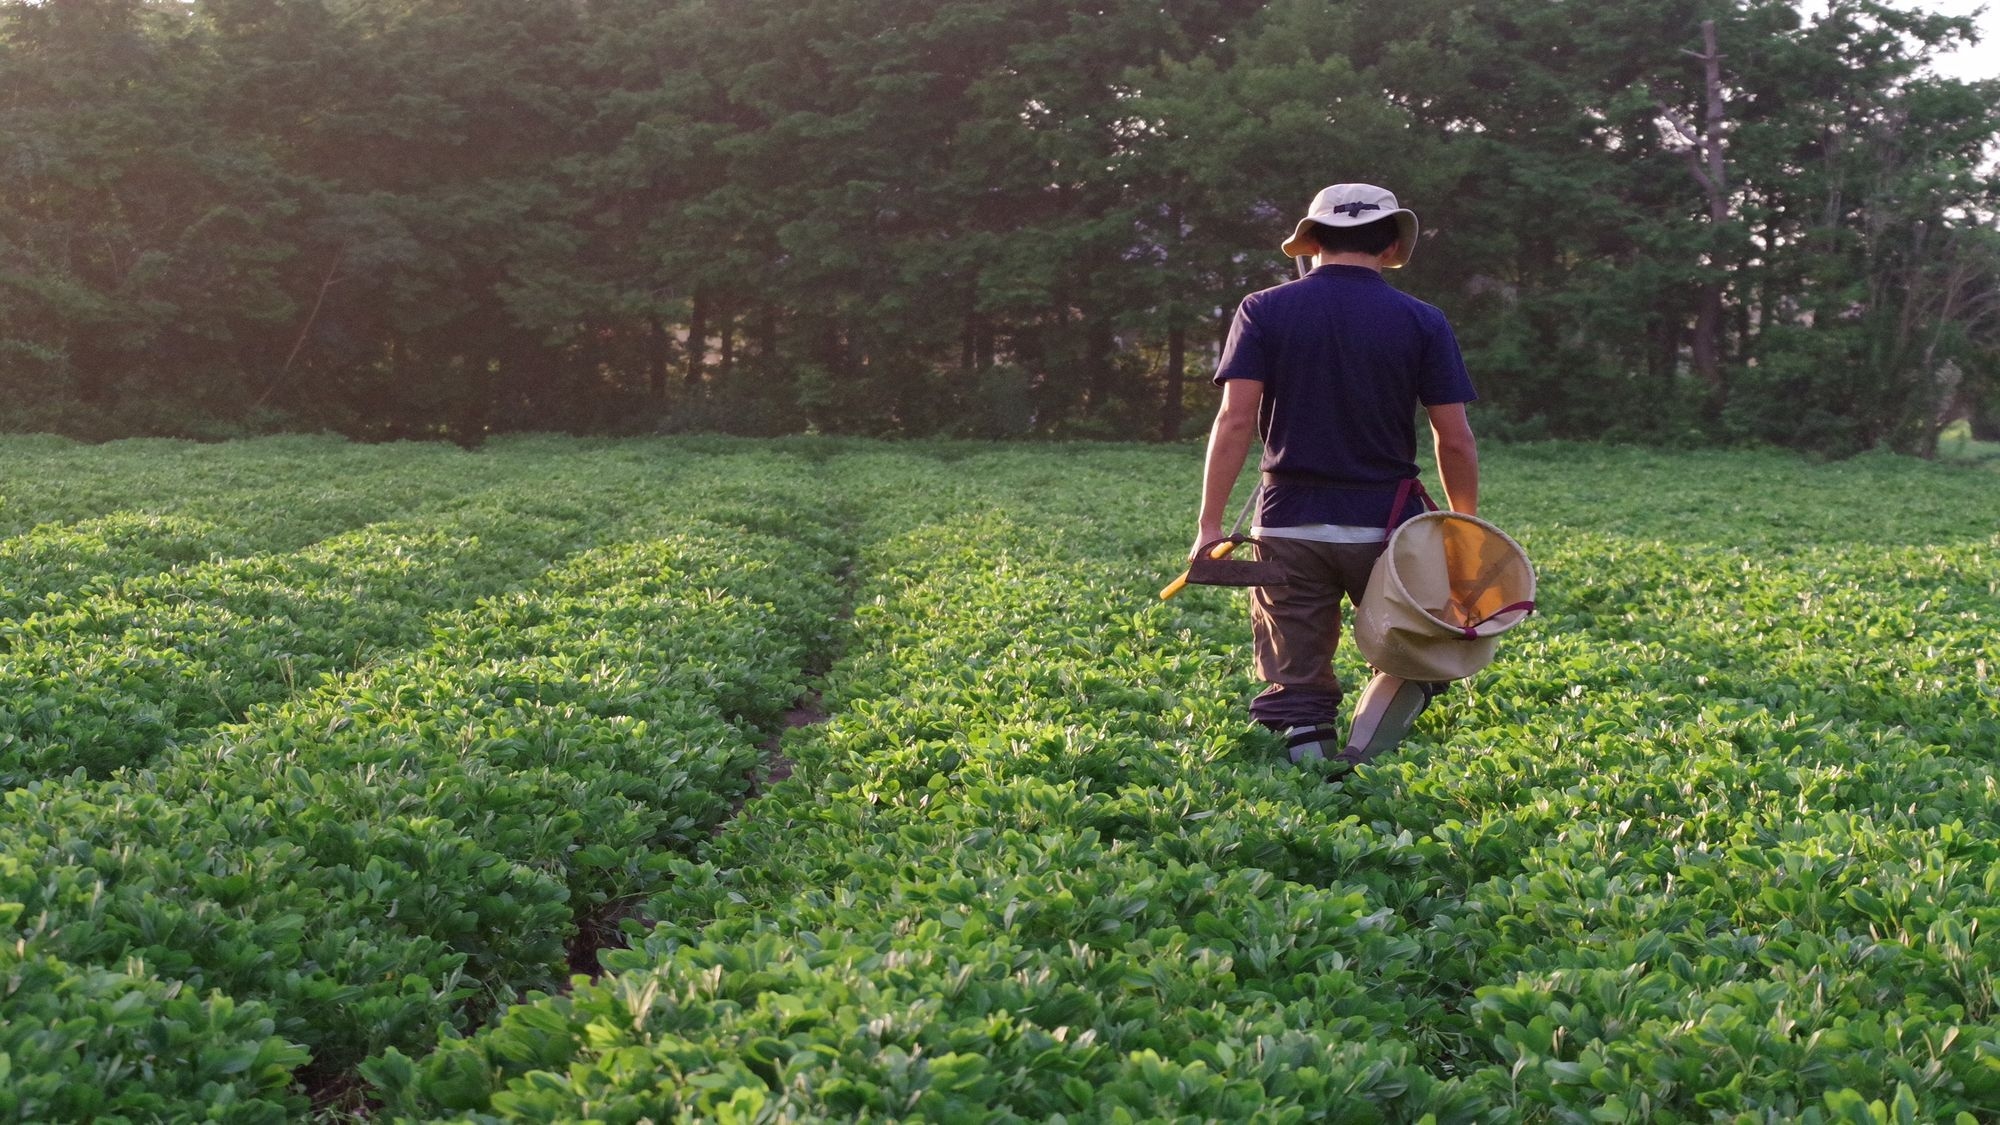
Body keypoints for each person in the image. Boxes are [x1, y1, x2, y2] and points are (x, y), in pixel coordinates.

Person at [1192, 182, 1479, 773]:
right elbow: (1452, 435)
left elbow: (1235, 418)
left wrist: (1210, 525)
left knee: (1297, 677)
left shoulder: (1264, 309)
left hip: (1289, 523)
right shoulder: (1422, 320)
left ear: (1313, 239)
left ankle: (1317, 782)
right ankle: (1363, 759)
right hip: (1388, 529)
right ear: (1391, 243)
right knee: (1413, 653)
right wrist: (1463, 528)